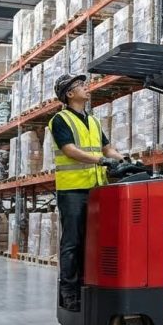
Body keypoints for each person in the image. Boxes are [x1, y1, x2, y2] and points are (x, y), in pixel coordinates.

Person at [48, 74, 125, 311]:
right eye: (80, 85)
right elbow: (70, 150)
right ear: (70, 94)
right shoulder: (60, 120)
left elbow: (107, 148)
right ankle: (69, 292)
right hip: (72, 190)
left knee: (93, 241)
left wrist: (124, 160)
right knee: (72, 242)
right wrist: (101, 160)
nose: (86, 87)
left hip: (96, 189)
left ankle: (87, 285)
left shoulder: (93, 121)